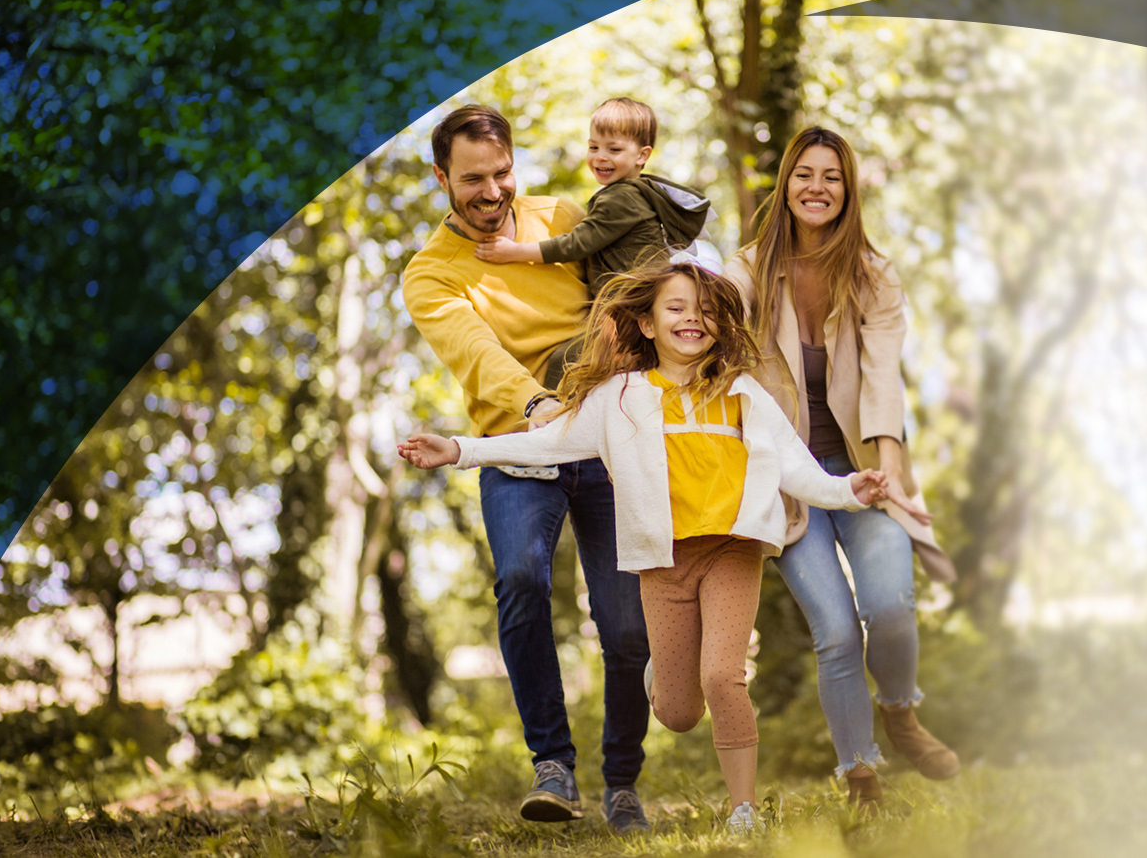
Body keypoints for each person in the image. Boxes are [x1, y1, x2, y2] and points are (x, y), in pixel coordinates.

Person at [399, 261, 922, 834]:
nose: (692, 319)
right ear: (646, 324)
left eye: (703, 310)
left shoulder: (742, 393)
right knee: (677, 712)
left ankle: (743, 810)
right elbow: (548, 443)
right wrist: (459, 449)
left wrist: (852, 488)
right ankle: (663, 675)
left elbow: (800, 473)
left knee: (724, 677)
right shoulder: (619, 396)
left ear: (719, 324)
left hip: (732, 551)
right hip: (663, 563)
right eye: (675, 308)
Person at [399, 104, 651, 832]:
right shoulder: (430, 275)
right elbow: (478, 354)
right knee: (519, 579)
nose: (490, 192)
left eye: (502, 174)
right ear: (442, 177)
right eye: (472, 179)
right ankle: (553, 765)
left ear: (515, 166)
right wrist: (539, 405)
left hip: (603, 439)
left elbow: (616, 302)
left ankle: (623, 781)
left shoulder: (563, 219)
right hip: (515, 442)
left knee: (627, 623)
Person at [724, 126, 961, 808]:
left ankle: (901, 711)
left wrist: (891, 478)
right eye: (805, 174)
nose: (817, 187)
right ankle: (861, 775)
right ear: (786, 184)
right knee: (833, 630)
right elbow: (707, 324)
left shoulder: (873, 275)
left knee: (889, 604)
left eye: (831, 176)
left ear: (848, 190)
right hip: (790, 478)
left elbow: (884, 376)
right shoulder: (746, 272)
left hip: (863, 465)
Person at [474, 96, 716, 391]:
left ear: (642, 155)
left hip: (632, 307)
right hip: (635, 304)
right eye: (593, 147)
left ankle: (550, 420)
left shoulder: (621, 197)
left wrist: (514, 251)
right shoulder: (633, 192)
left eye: (614, 149)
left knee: (567, 361)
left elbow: (576, 244)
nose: (600, 157)